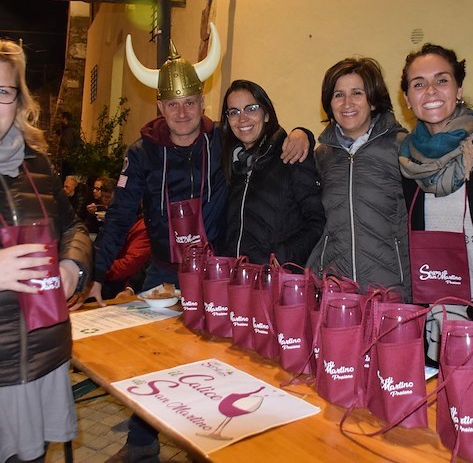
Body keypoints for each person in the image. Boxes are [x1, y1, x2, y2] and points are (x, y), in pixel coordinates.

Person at [91, 24, 309, 462]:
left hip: (219, 275)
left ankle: (208, 445)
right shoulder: (142, 153)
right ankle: (140, 445)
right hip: (164, 273)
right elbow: (117, 216)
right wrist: (94, 274)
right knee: (154, 359)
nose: (183, 111)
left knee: (214, 364)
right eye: (173, 104)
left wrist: (301, 131)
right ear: (160, 106)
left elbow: (264, 136)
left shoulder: (221, 139)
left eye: (190, 102)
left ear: (202, 103)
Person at [0, 39, 92, 462]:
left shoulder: (36, 164)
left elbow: (72, 224)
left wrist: (73, 263)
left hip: (43, 354)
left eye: (2, 92)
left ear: (18, 101)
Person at [399, 43, 473, 365]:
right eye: (418, 84)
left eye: (441, 80)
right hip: (433, 328)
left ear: (459, 89)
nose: (430, 91)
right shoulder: (405, 162)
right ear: (407, 99)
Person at [307, 57, 411, 300]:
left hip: (390, 289)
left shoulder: (402, 147)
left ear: (373, 100)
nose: (347, 103)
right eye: (338, 95)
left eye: (357, 93)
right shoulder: (321, 156)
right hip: (334, 289)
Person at [219, 79, 325, 265]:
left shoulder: (291, 155)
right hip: (236, 279)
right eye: (234, 112)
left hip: (276, 282)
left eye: (251, 108)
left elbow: (317, 221)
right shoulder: (232, 161)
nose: (242, 118)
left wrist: (283, 256)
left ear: (266, 113)